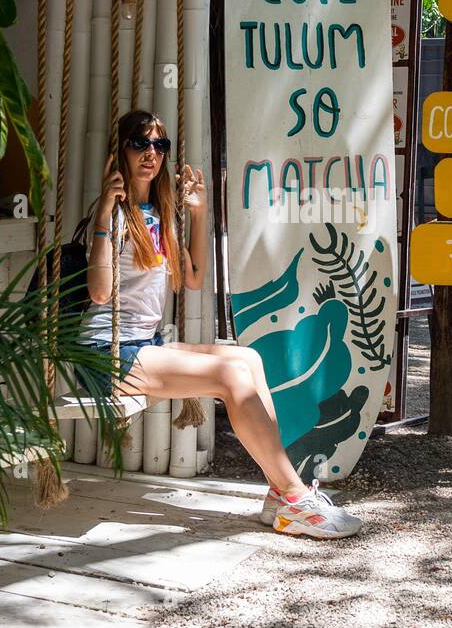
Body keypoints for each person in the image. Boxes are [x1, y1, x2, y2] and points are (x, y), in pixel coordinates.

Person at [82, 110, 362, 539]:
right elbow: (100, 294)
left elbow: (192, 279)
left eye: (160, 146)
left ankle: (279, 492)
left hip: (143, 344)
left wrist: (198, 212)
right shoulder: (115, 217)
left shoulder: (158, 214)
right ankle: (294, 496)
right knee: (232, 376)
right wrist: (103, 211)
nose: (151, 154)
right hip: (107, 354)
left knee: (247, 357)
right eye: (140, 144)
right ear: (120, 152)